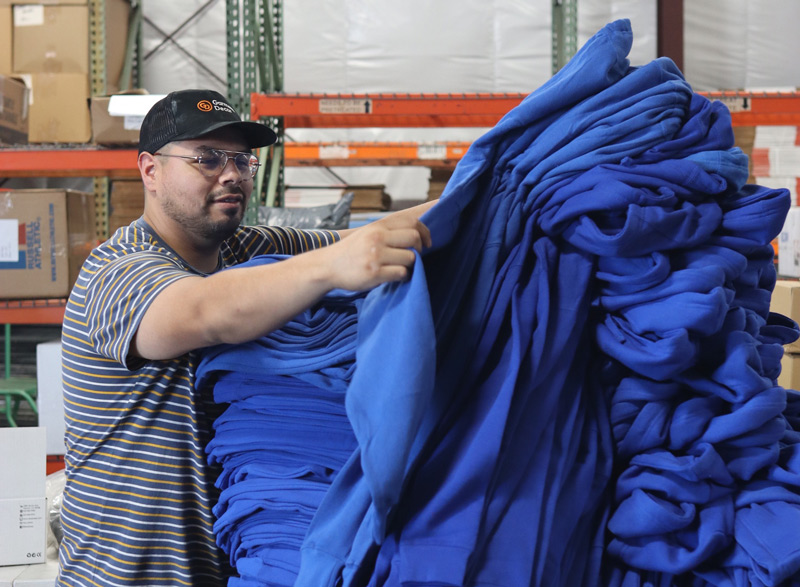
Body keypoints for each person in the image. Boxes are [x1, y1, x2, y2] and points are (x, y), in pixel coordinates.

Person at [57, 89, 435, 587]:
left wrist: (494, 184)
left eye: (241, 160)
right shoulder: (117, 273)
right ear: (150, 170)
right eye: (207, 159)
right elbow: (206, 310)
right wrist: (328, 267)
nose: (231, 174)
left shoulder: (245, 246)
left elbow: (367, 236)